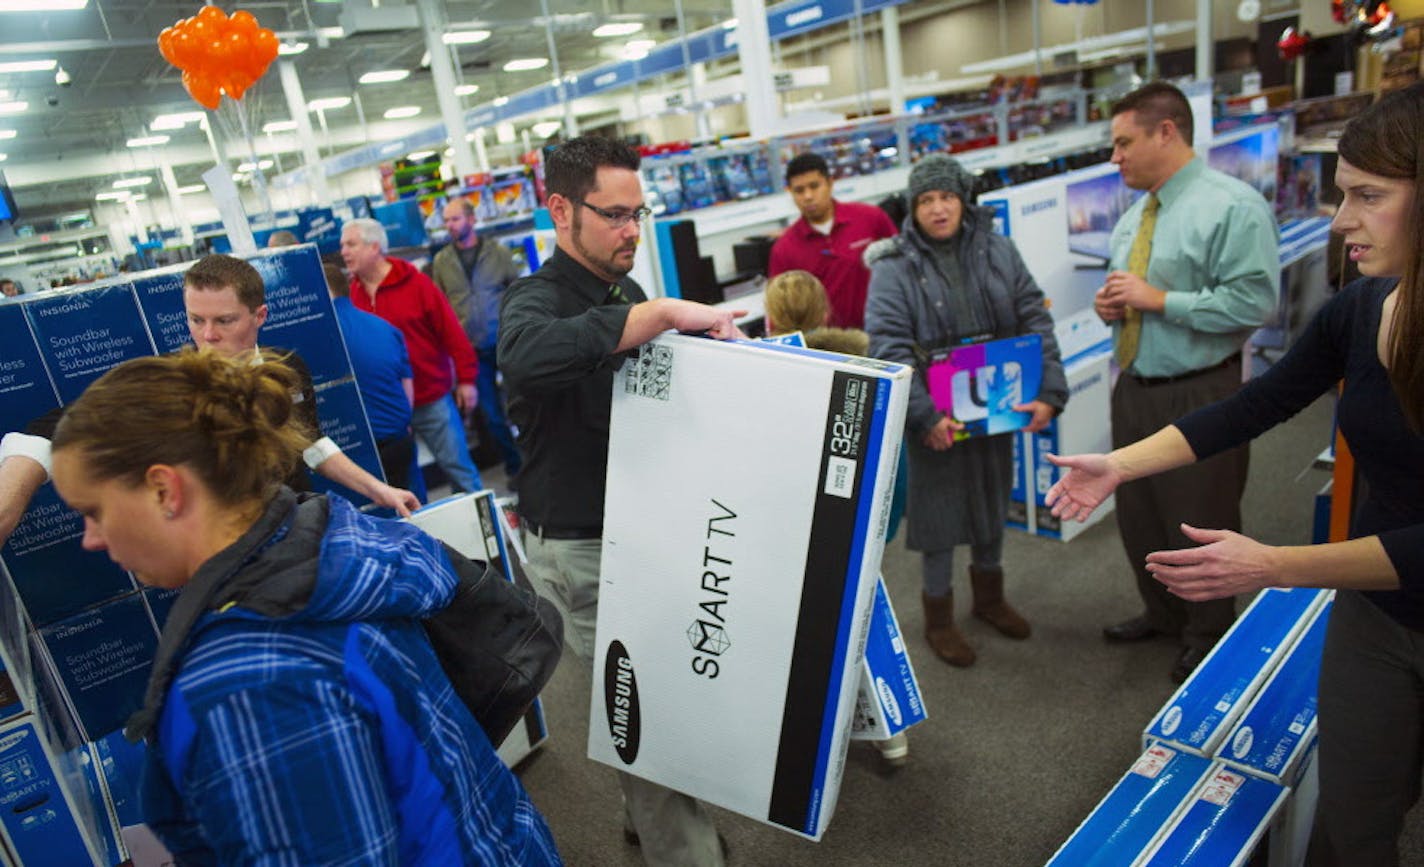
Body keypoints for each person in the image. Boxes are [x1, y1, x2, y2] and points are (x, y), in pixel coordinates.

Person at [1046, 81, 1424, 867]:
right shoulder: (1363, 308)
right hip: (1382, 617)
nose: (1340, 218)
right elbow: (1256, 405)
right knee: (1354, 822)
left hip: (1384, 578)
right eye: (1341, 193)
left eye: (1368, 195)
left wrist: (1274, 565)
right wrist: (1117, 464)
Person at [47, 349, 561, 864]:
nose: (90, 538)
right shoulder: (332, 551)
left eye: (93, 511)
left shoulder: (248, 687)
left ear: (164, 488)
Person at [499, 134, 743, 866]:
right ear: (559, 209)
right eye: (614, 215)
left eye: (639, 213)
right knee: (646, 720)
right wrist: (663, 313)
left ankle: (649, 823)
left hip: (642, 531)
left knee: (652, 702)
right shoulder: (532, 300)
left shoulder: (626, 291)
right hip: (582, 548)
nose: (632, 231)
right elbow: (528, 354)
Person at [0, 254, 419, 548]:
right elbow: (59, 426)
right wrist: (12, 494)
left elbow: (310, 443)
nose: (208, 336)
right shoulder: (171, 382)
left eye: (224, 321)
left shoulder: (288, 369)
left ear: (260, 316)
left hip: (300, 528)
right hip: (230, 555)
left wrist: (379, 489)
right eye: (195, 320)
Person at [1091, 81, 1279, 683]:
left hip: (1202, 389)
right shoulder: (1135, 217)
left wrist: (1160, 299)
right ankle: (1165, 614)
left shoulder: (1232, 206)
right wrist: (1115, 306)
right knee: (1140, 513)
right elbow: (1131, 291)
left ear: (1166, 131)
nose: (1114, 157)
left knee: (1201, 516)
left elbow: (1254, 302)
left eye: (1124, 143)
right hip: (1136, 385)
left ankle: (1208, 632)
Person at [864, 153, 1066, 669]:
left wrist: (1050, 391)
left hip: (995, 406)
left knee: (990, 503)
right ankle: (939, 618)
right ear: (913, 208)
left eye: (947, 197)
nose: (938, 208)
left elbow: (1033, 319)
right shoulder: (892, 266)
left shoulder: (999, 249)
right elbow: (888, 347)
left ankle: (990, 599)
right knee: (938, 517)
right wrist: (924, 418)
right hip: (936, 413)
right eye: (926, 200)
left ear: (963, 199)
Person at [340, 217, 484, 494]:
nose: (344, 251)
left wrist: (467, 380)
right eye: (343, 245)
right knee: (404, 484)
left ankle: (485, 530)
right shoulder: (352, 296)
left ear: (375, 247)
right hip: (390, 409)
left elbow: (452, 333)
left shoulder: (417, 285)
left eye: (351, 244)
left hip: (432, 399)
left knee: (460, 470)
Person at [431, 197, 524, 484]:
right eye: (446, 220)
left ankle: (538, 463)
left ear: (471, 220)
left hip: (506, 342)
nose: (450, 225)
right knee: (492, 416)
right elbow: (441, 305)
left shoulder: (498, 253)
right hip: (471, 351)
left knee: (523, 405)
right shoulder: (441, 261)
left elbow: (519, 291)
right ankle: (516, 469)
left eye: (455, 219)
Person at [768, 151, 897, 329]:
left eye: (814, 186)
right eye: (799, 190)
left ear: (830, 183)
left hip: (884, 332)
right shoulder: (785, 249)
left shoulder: (871, 218)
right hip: (827, 347)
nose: (808, 196)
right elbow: (779, 311)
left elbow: (902, 267)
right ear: (790, 192)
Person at [322, 262, 420, 495]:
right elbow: (406, 383)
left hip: (358, 452)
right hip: (398, 438)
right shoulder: (384, 327)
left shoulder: (326, 333)